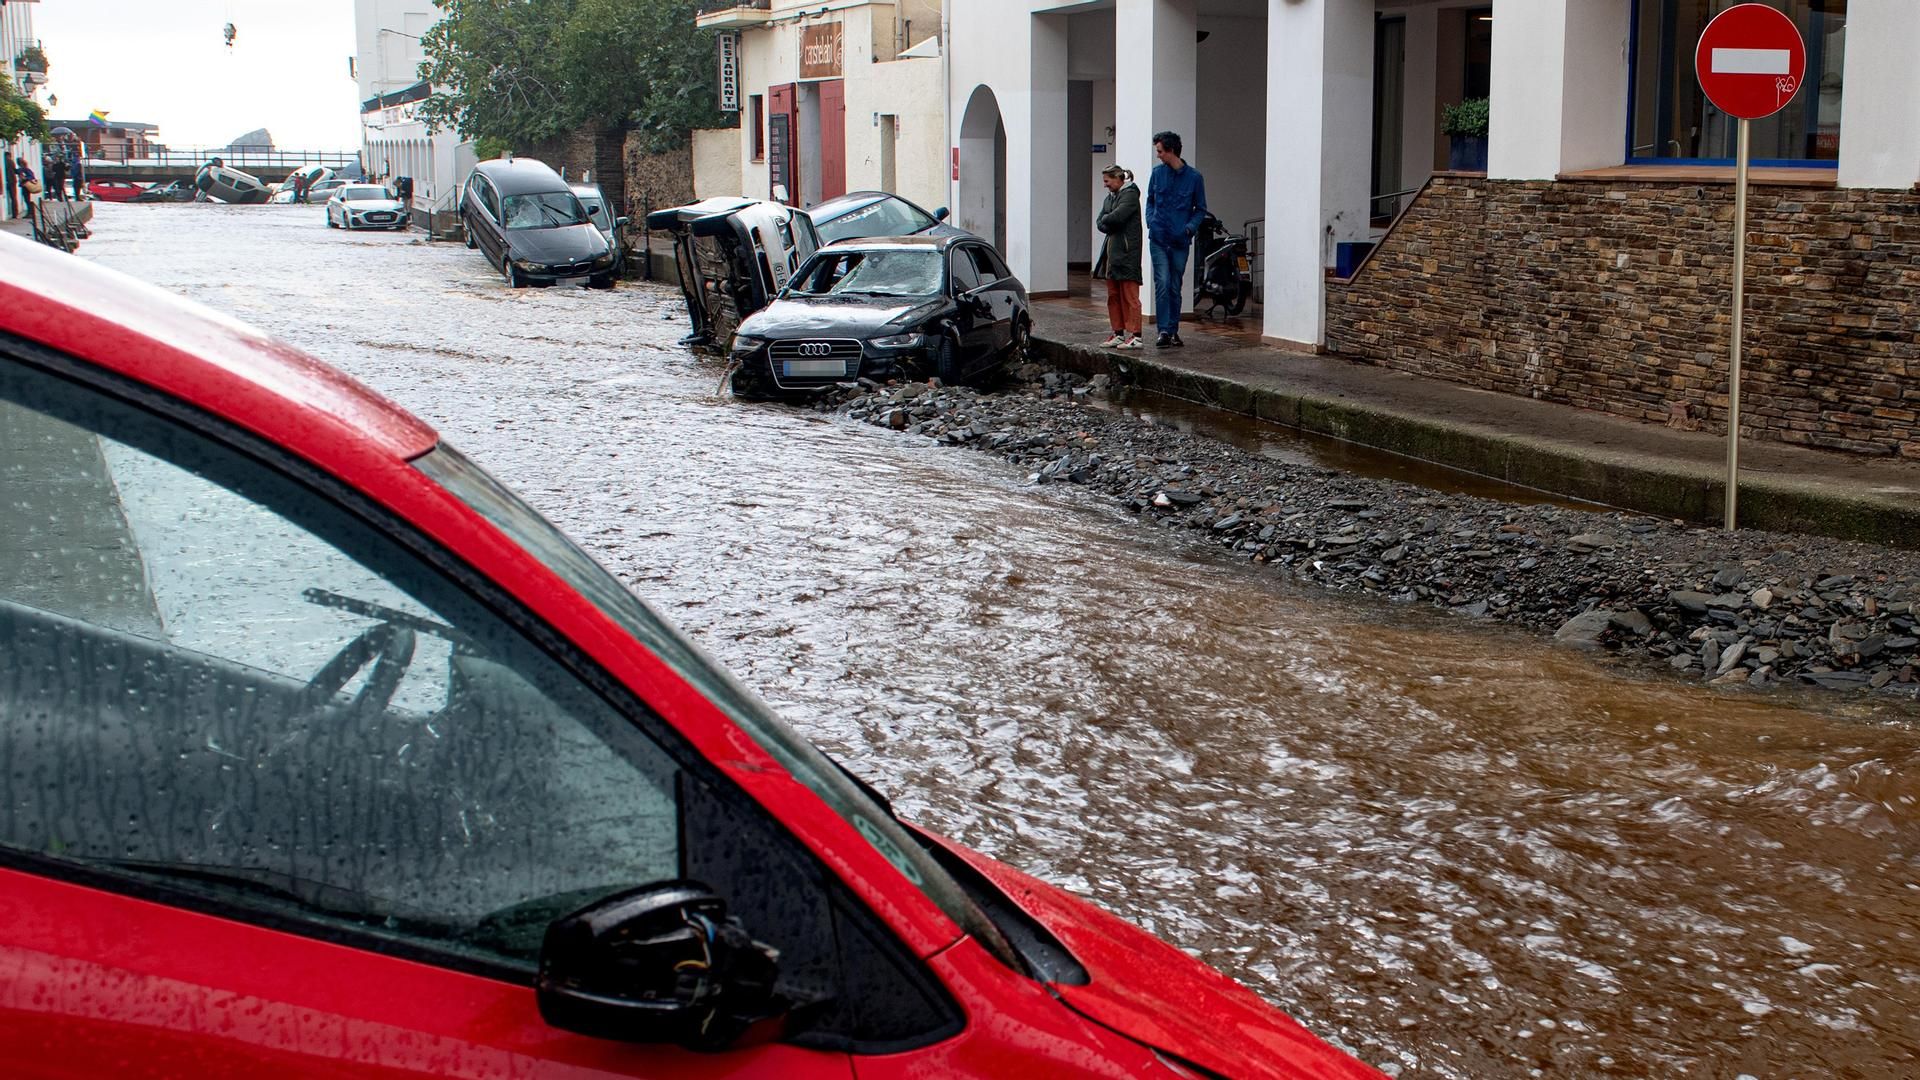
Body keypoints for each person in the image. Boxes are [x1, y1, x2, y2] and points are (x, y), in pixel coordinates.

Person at [1144, 130, 1207, 349]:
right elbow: (1150, 200)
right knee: (1161, 282)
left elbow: (1200, 209)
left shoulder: (1194, 178)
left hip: (1180, 240)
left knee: (1174, 285)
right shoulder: (1157, 174)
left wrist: (1189, 229)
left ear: (1171, 151)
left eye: (1160, 151)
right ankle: (1163, 330)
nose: (1158, 155)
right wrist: (1151, 220)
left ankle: (1173, 329)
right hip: (1159, 237)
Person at [1093, 164, 1143, 350]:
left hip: (1127, 254)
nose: (1105, 185)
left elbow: (1115, 217)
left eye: (1107, 181)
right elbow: (1102, 221)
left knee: (1130, 295)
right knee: (1113, 295)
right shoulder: (1111, 197)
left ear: (1117, 178)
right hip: (1112, 255)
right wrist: (1108, 219)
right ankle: (1118, 332)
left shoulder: (1129, 196)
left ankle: (1136, 335)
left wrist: (1108, 219)